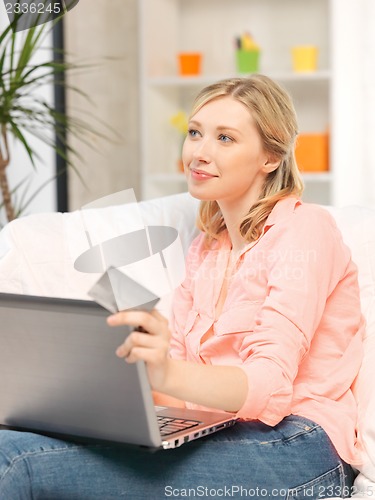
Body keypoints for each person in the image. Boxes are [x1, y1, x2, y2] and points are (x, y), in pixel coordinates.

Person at [0, 75, 364, 498]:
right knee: (16, 440)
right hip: (219, 433)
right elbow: (182, 376)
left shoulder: (306, 230)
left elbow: (269, 385)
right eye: (195, 133)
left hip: (300, 447)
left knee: (17, 462)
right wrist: (95, 391)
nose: (199, 153)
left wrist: (167, 372)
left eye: (225, 138)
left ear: (270, 155)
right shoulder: (207, 249)